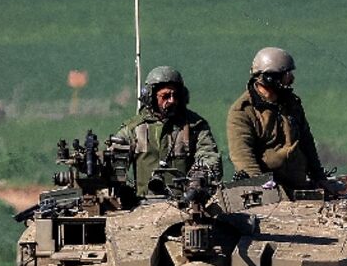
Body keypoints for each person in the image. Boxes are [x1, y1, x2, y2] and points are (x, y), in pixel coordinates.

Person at [227, 47, 330, 197]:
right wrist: (261, 185)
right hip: (268, 191)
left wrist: (319, 177)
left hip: (298, 184)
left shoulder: (292, 104)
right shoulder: (243, 111)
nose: (291, 79)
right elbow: (242, 156)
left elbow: (307, 143)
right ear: (270, 77)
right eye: (286, 75)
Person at [111, 65, 222, 197]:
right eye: (166, 96)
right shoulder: (134, 128)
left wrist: (200, 176)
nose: (172, 100)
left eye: (175, 95)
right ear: (151, 97)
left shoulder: (194, 126)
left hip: (186, 201)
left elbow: (209, 154)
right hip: (143, 203)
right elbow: (115, 161)